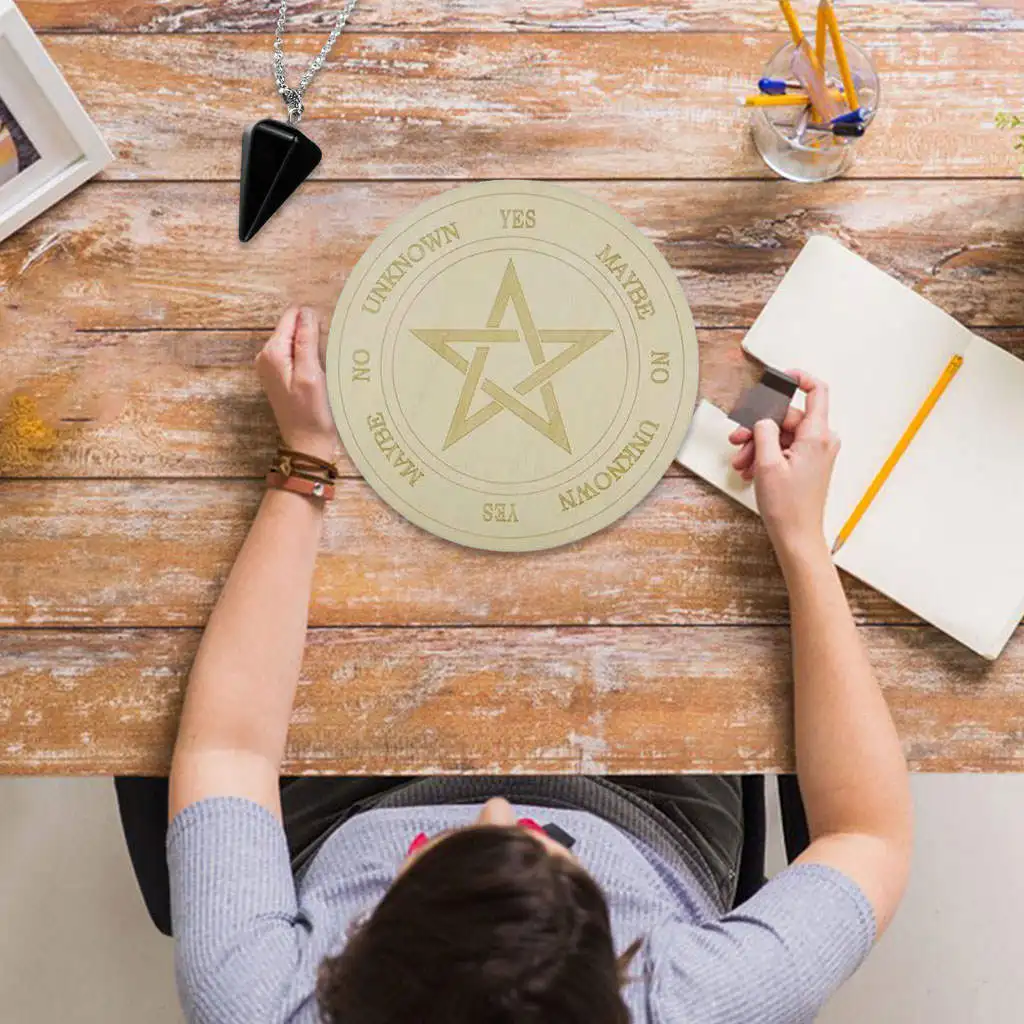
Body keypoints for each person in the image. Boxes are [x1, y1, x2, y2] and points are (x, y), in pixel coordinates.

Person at [116, 306, 913, 1023]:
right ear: (622, 979)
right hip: (656, 810)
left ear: (343, 971)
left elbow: (230, 748)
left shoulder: (256, 1002)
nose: (496, 803)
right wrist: (804, 539)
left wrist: (305, 460)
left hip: (344, 805)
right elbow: (868, 837)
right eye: (535, 836)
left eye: (439, 849)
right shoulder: (703, 1005)